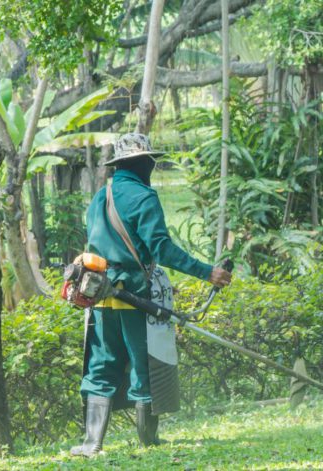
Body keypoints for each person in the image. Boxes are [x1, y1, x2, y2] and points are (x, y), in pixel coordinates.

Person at [71, 133, 232, 456]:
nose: (153, 166)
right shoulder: (144, 197)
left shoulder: (100, 197)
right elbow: (163, 250)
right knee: (143, 365)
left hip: (99, 295)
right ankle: (149, 441)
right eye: (150, 161)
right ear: (142, 163)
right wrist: (207, 272)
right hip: (136, 298)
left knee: (102, 366)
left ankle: (91, 443)